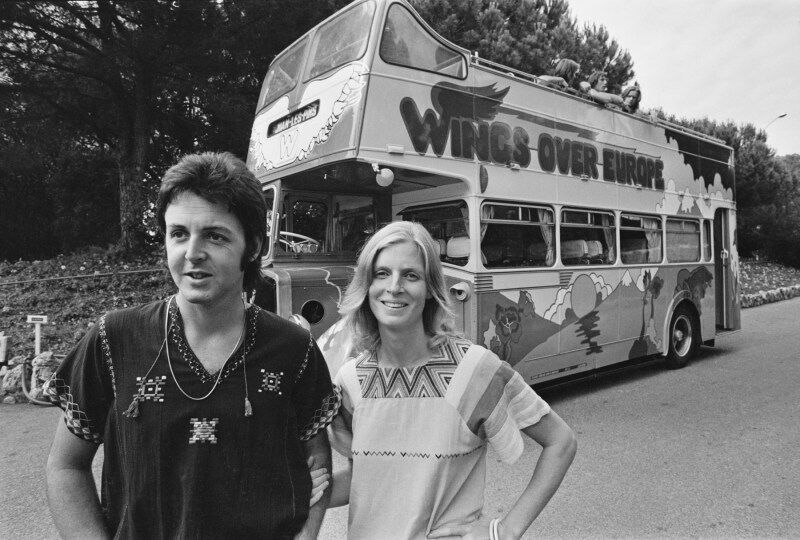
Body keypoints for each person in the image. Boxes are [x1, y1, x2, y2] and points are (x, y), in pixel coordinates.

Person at [45, 152, 338, 538]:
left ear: (252, 246)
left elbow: (317, 461)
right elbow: (66, 467)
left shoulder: (294, 349)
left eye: (215, 235)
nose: (192, 252)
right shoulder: (114, 339)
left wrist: (307, 533)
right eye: (179, 233)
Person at [324, 221, 577, 539]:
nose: (395, 286)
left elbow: (561, 441)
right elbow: (364, 478)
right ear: (366, 284)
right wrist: (294, 493)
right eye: (382, 273)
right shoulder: (351, 380)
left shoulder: (474, 371)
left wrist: (507, 529)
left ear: (430, 288)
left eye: (411, 275)